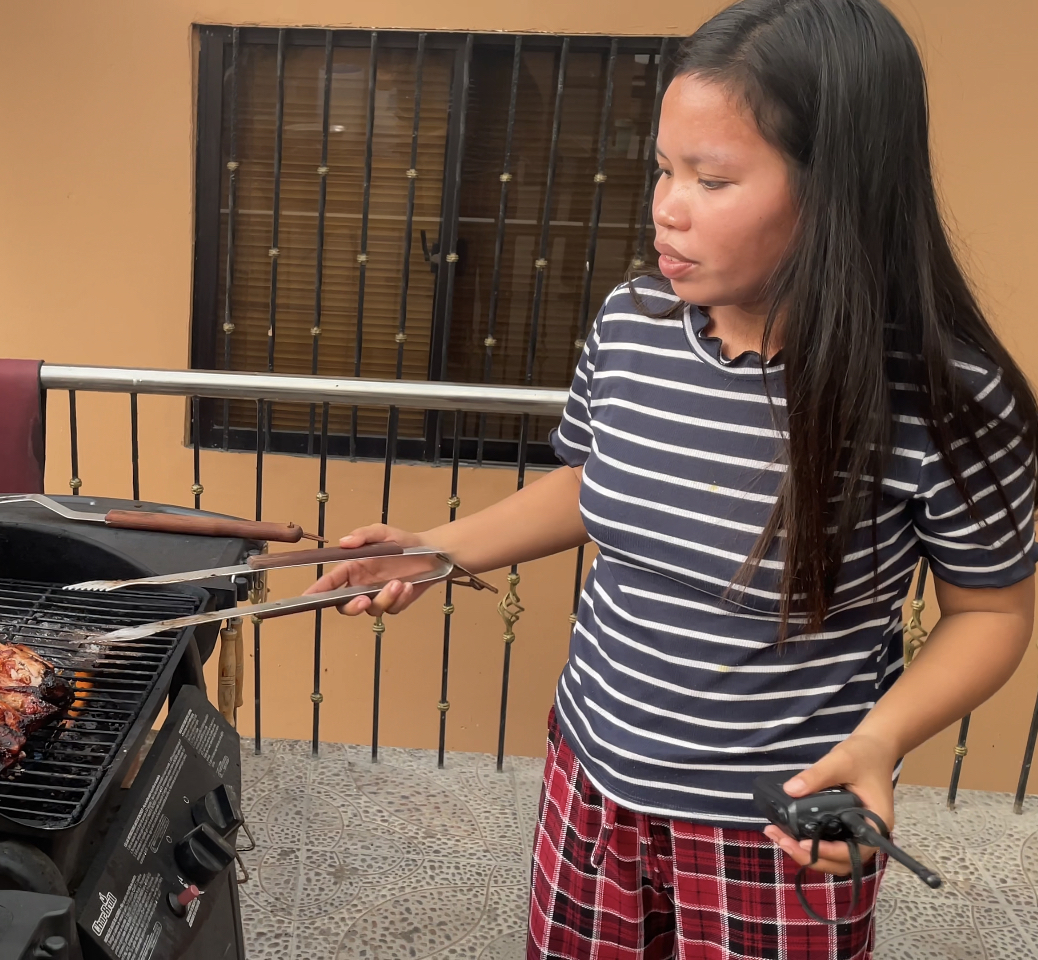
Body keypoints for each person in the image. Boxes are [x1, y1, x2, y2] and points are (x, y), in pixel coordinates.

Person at [307, 0, 1037, 957]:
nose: (666, 205)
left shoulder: (946, 396)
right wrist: (433, 549)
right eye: (663, 166)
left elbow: (991, 613)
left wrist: (876, 744)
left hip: (778, 823)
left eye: (713, 177)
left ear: (840, 188)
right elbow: (592, 484)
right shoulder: (632, 322)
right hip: (592, 781)